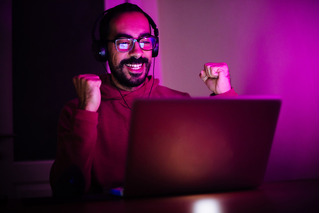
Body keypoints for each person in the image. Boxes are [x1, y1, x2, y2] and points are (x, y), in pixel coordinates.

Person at [50, 3, 237, 197]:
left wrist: (225, 95)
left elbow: (229, 165)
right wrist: (86, 112)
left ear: (153, 47)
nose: (137, 52)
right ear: (102, 50)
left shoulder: (179, 103)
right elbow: (66, 192)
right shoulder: (76, 111)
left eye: (145, 41)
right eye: (123, 42)